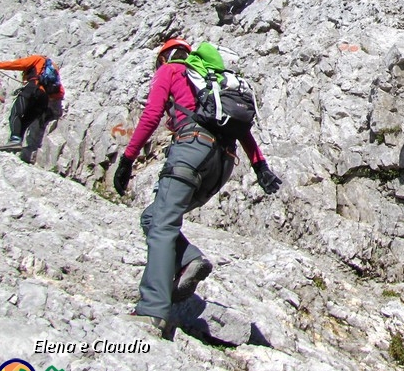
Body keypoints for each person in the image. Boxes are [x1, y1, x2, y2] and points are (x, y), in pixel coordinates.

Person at [113, 40, 282, 338]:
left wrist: (128, 158)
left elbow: (152, 114)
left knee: (162, 224)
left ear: (164, 57)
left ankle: (152, 310)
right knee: (152, 217)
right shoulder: (210, 80)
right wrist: (260, 167)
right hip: (222, 164)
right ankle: (189, 259)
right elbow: (241, 129)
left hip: (191, 150)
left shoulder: (171, 71)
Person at [0, 54, 64, 153]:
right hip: (44, 99)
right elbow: (60, 92)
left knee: (15, 113)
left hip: (32, 89)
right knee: (25, 121)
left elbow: (17, 64)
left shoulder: (37, 59)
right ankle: (16, 143)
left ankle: (15, 140)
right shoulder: (53, 69)